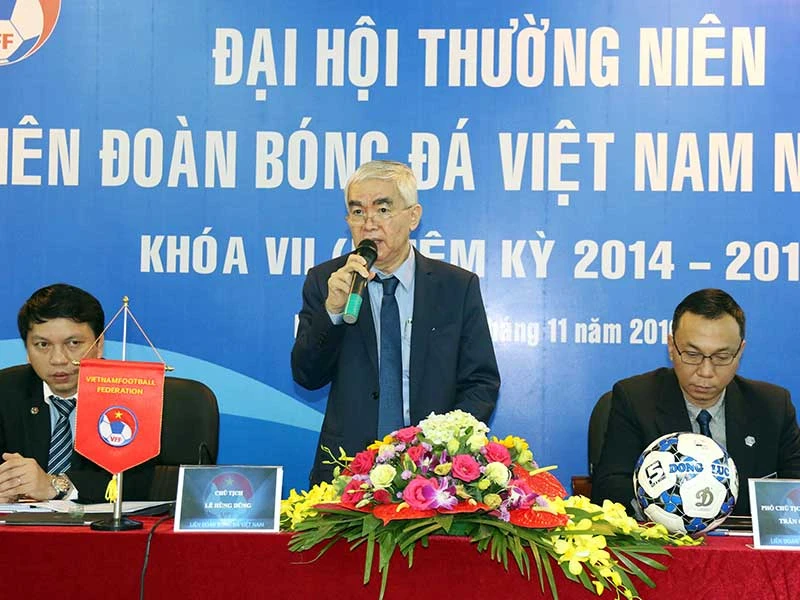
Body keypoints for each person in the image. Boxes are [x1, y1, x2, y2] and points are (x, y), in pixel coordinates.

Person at [291, 160, 500, 485]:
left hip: (434, 474)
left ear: (413, 216)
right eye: (357, 212)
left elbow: (481, 382)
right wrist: (332, 312)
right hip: (347, 472)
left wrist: (446, 449)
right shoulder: (328, 281)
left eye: (383, 209)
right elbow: (306, 376)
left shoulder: (455, 287)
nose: (369, 224)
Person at [591, 288, 800, 516]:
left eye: (722, 357)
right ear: (672, 347)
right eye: (692, 354)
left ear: (740, 352)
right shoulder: (635, 399)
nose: (706, 371)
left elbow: (794, 493)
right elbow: (610, 489)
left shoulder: (773, 407)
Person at [0, 283, 154, 503]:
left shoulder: (131, 394)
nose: (58, 359)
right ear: (27, 349)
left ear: (99, 345)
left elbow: (136, 483)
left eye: (73, 343)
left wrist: (55, 485)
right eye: (42, 345)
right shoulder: (6, 391)